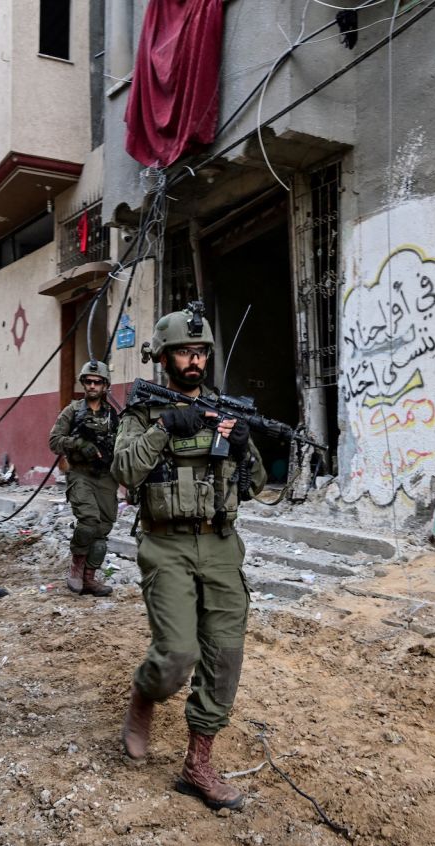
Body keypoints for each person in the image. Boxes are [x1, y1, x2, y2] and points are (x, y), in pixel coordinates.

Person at [111, 302, 266, 812]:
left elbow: (259, 485)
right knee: (178, 654)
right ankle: (144, 692)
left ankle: (198, 763)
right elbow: (126, 472)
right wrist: (165, 429)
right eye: (184, 352)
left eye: (200, 352)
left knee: (224, 656)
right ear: (165, 358)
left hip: (221, 543)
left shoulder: (228, 410)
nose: (194, 360)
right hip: (166, 544)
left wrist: (243, 449)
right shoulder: (140, 413)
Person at [48, 360, 119, 596]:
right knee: (88, 521)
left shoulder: (113, 416)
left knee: (103, 527)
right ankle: (76, 566)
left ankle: (90, 576)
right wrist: (78, 443)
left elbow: (123, 445)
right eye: (88, 381)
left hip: (106, 476)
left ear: (105, 385)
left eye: (97, 382)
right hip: (80, 473)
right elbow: (54, 441)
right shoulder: (73, 411)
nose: (92, 385)